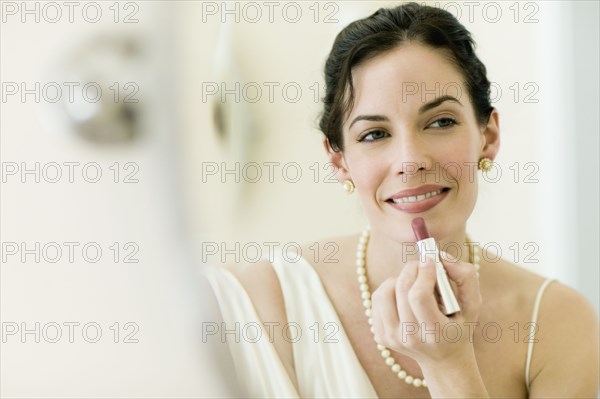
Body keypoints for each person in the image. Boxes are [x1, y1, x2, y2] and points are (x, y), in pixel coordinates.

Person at [204, 3, 599, 398]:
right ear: (339, 160)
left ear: (488, 136)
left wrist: (449, 365)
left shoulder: (555, 324)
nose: (410, 162)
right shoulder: (250, 307)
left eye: (441, 122)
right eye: (374, 134)